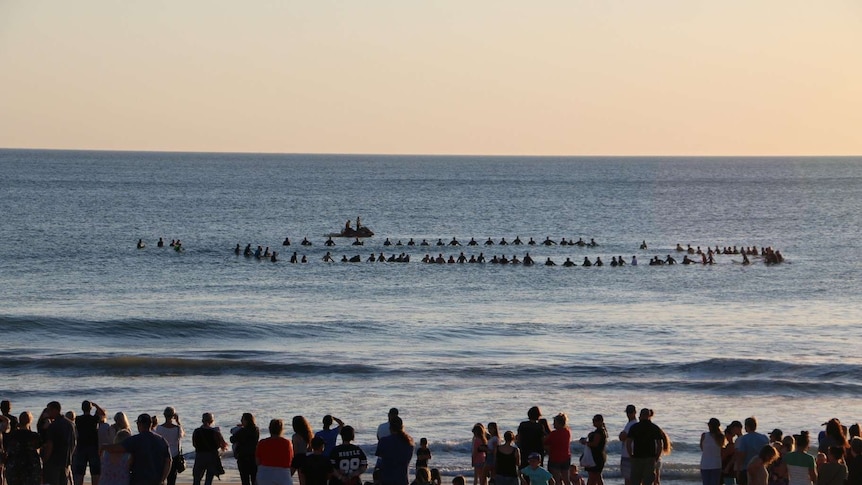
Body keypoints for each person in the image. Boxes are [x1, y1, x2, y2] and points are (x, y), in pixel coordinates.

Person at [121, 414, 172, 485]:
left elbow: (120, 449)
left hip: (138, 480)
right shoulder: (161, 440)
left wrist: (105, 447)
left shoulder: (134, 440)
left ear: (139, 424)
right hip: (156, 480)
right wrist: (162, 479)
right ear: (151, 424)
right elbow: (168, 461)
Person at [625, 408, 665, 485]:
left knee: (635, 480)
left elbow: (628, 443)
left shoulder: (634, 427)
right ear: (649, 416)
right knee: (648, 481)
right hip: (650, 458)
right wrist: (657, 457)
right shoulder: (654, 427)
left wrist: (631, 455)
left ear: (640, 415)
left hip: (637, 457)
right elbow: (660, 444)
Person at [3, 411, 42, 485]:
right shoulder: (35, 436)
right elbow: (41, 448)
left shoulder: (11, 436)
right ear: (30, 421)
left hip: (14, 467)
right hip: (31, 468)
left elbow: (5, 449)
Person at [42, 401, 77, 485]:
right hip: (66, 460)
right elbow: (74, 442)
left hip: (54, 461)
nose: (48, 413)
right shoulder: (71, 424)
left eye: (49, 410)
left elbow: (50, 444)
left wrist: (45, 459)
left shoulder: (53, 426)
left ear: (55, 410)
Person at [375, 416, 414, 485]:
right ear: (402, 427)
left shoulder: (383, 441)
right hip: (402, 480)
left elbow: (379, 462)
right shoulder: (409, 442)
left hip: (386, 479)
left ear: (390, 427)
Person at [192, 413, 228, 485]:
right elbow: (223, 445)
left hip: (200, 456)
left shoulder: (197, 431)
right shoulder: (215, 432)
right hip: (212, 456)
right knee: (209, 479)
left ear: (202, 420)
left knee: (197, 478)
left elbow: (194, 444)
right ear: (212, 421)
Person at [256, 419, 294, 485]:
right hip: (282, 473)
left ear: (270, 429)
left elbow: (257, 461)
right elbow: (289, 461)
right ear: (281, 429)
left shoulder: (262, 443)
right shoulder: (286, 443)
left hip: (265, 472)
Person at [74, 401, 102, 485]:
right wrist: (96, 405)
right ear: (90, 409)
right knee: (95, 472)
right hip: (93, 446)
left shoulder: (78, 419)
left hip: (81, 446)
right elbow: (102, 413)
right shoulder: (94, 419)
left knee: (80, 472)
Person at [155, 407, 184, 485]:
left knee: (162, 478)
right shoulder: (177, 428)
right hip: (174, 455)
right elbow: (182, 435)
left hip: (162, 455)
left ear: (164, 415)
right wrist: (178, 422)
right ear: (174, 416)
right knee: (172, 479)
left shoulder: (159, 428)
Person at [736, 418, 770, 485]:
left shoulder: (744, 439)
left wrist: (738, 469)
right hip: (761, 468)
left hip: (747, 468)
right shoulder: (764, 438)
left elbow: (742, 455)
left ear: (747, 426)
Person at [230, 413, 260, 485]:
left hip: (243, 457)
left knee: (245, 480)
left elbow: (232, 439)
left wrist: (239, 430)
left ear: (247, 420)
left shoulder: (243, 431)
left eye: (242, 419)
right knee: (254, 480)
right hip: (254, 457)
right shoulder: (256, 429)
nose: (241, 421)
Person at [579, 415, 607, 485]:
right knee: (595, 477)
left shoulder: (599, 431)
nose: (594, 422)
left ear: (600, 421)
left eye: (595, 421)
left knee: (594, 477)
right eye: (593, 420)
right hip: (598, 456)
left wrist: (585, 442)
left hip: (596, 457)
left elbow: (595, 444)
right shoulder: (600, 431)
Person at [544, 413, 572, 485]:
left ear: (559, 423)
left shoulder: (554, 434)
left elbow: (545, 442)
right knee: (566, 479)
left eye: (554, 423)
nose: (553, 425)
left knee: (556, 480)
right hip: (566, 457)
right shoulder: (567, 431)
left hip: (555, 458)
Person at [701, 418, 726, 485]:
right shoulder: (721, 437)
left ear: (710, 426)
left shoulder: (704, 435)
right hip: (716, 464)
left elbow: (702, 448)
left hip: (705, 464)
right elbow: (722, 450)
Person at [292, 416, 314, 485]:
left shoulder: (295, 436)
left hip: (299, 458)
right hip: (309, 457)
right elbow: (310, 448)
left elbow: (295, 450)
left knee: (301, 480)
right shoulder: (310, 434)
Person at [619, 405, 638, 485]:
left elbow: (622, 437)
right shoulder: (631, 424)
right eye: (628, 412)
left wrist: (621, 434)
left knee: (628, 479)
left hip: (628, 454)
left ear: (634, 412)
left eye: (630, 412)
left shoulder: (632, 424)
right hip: (631, 453)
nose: (629, 414)